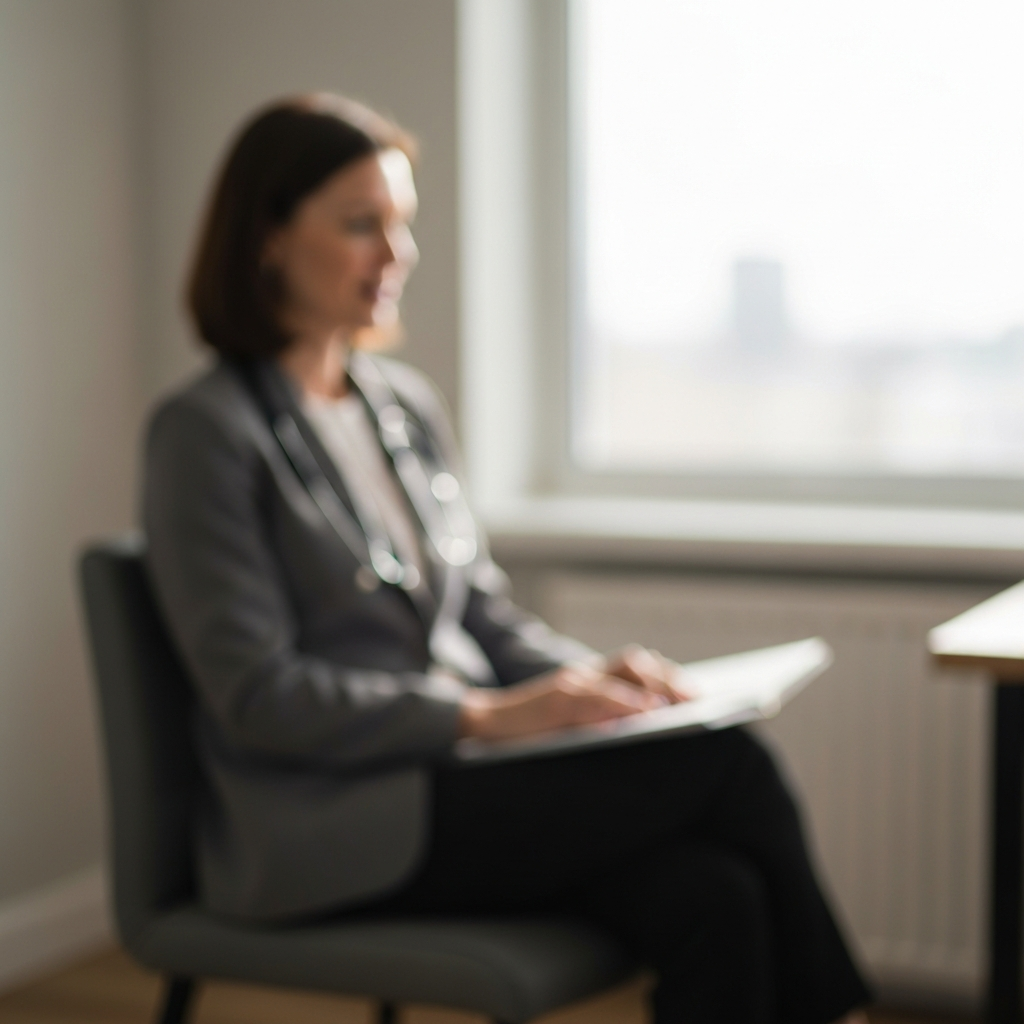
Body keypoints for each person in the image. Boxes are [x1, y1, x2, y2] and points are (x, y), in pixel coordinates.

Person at [143, 93, 872, 1024]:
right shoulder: (204, 432)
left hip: (458, 786)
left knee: (712, 893)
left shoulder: (400, 406)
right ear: (268, 237)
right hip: (330, 823)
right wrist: (486, 716)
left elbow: (480, 614)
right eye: (361, 225)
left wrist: (593, 683)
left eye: (402, 225)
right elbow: (258, 698)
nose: (396, 254)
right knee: (728, 765)